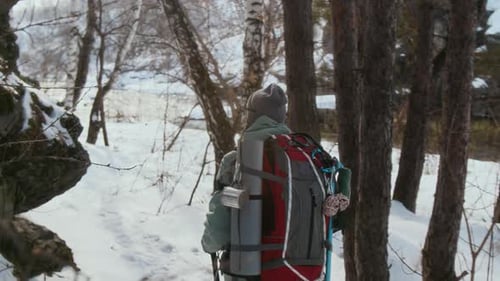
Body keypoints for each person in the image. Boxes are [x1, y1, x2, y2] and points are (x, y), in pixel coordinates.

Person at [201, 83, 290, 274]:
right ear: (283, 117)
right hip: (298, 271)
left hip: (248, 273)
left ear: (251, 117)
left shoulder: (236, 161)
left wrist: (208, 245)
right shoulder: (302, 159)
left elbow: (220, 223)